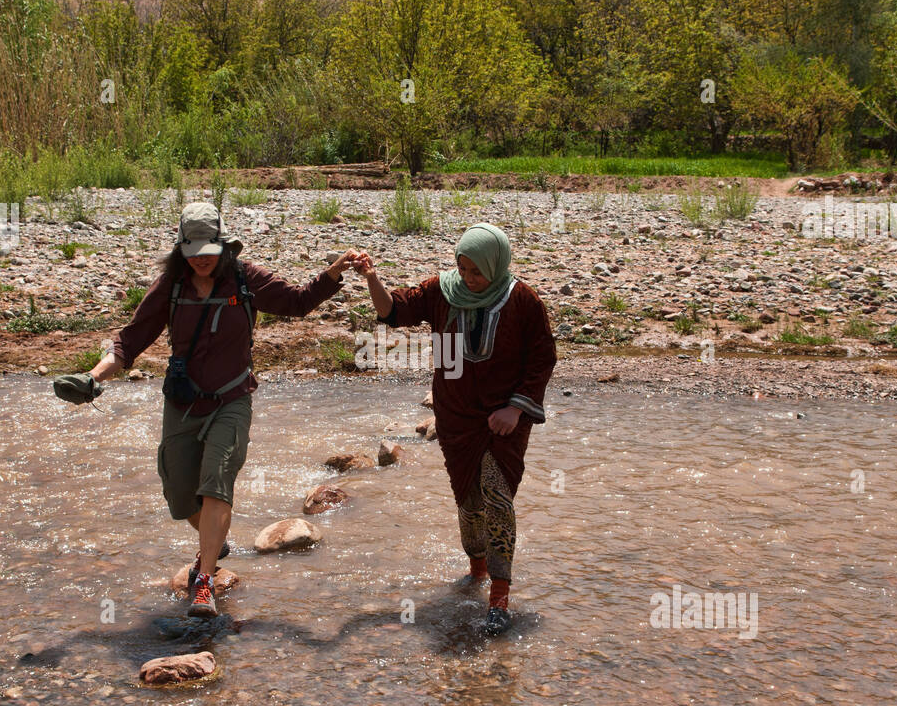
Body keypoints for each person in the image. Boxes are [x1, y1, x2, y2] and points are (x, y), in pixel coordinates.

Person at [53, 201, 363, 618]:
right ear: (180, 247)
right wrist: (94, 378)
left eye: (208, 249)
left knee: (215, 482)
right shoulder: (172, 285)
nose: (200, 258)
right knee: (180, 493)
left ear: (222, 245)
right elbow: (131, 340)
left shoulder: (244, 278)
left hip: (232, 399)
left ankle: (204, 580)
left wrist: (334, 271)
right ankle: (215, 541)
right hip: (182, 400)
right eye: (192, 249)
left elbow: (298, 302)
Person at [358, 222, 556, 635]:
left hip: (503, 421)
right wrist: (373, 279)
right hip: (456, 416)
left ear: (496, 265)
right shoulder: (442, 292)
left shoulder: (521, 300)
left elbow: (541, 360)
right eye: (463, 269)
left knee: (497, 496)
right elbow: (392, 310)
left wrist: (516, 410)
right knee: (468, 500)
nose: (468, 279)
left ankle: (499, 594)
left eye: (477, 272)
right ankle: (477, 570)